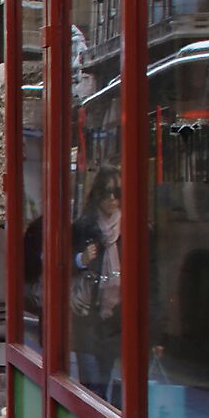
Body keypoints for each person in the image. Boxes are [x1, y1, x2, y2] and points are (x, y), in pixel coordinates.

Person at [72, 171, 123, 402]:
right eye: (106, 193)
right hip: (88, 317)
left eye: (117, 193)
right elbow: (59, 268)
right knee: (92, 390)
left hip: (116, 320)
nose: (112, 198)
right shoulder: (84, 226)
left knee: (107, 382)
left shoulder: (131, 229)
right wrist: (81, 259)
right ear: (96, 195)